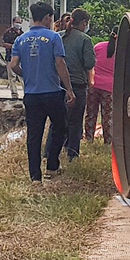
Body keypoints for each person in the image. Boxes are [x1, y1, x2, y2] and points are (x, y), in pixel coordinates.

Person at [10, 2, 76, 182]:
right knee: (60, 128)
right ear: (47, 17)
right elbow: (60, 64)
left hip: (31, 95)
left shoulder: (20, 39)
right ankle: (52, 166)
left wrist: (27, 74)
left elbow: (14, 65)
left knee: (34, 135)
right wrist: (69, 89)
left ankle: (35, 177)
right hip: (52, 92)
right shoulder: (54, 38)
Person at [46, 8, 95, 162]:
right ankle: (72, 154)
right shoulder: (85, 39)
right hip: (77, 86)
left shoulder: (58, 36)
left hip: (57, 85)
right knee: (75, 122)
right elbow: (89, 63)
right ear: (84, 23)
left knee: (56, 121)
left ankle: (48, 153)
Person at [85, 26, 117, 144]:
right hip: (109, 87)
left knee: (91, 114)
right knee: (107, 116)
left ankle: (89, 139)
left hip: (94, 84)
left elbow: (91, 63)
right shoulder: (121, 51)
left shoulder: (98, 46)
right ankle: (108, 141)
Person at [1, 16, 24, 99]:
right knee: (12, 76)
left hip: (21, 58)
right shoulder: (8, 32)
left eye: (20, 22)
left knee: (22, 76)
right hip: (10, 57)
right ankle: (14, 94)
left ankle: (26, 92)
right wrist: (14, 46)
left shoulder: (22, 34)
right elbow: (3, 44)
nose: (18, 24)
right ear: (13, 22)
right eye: (17, 22)